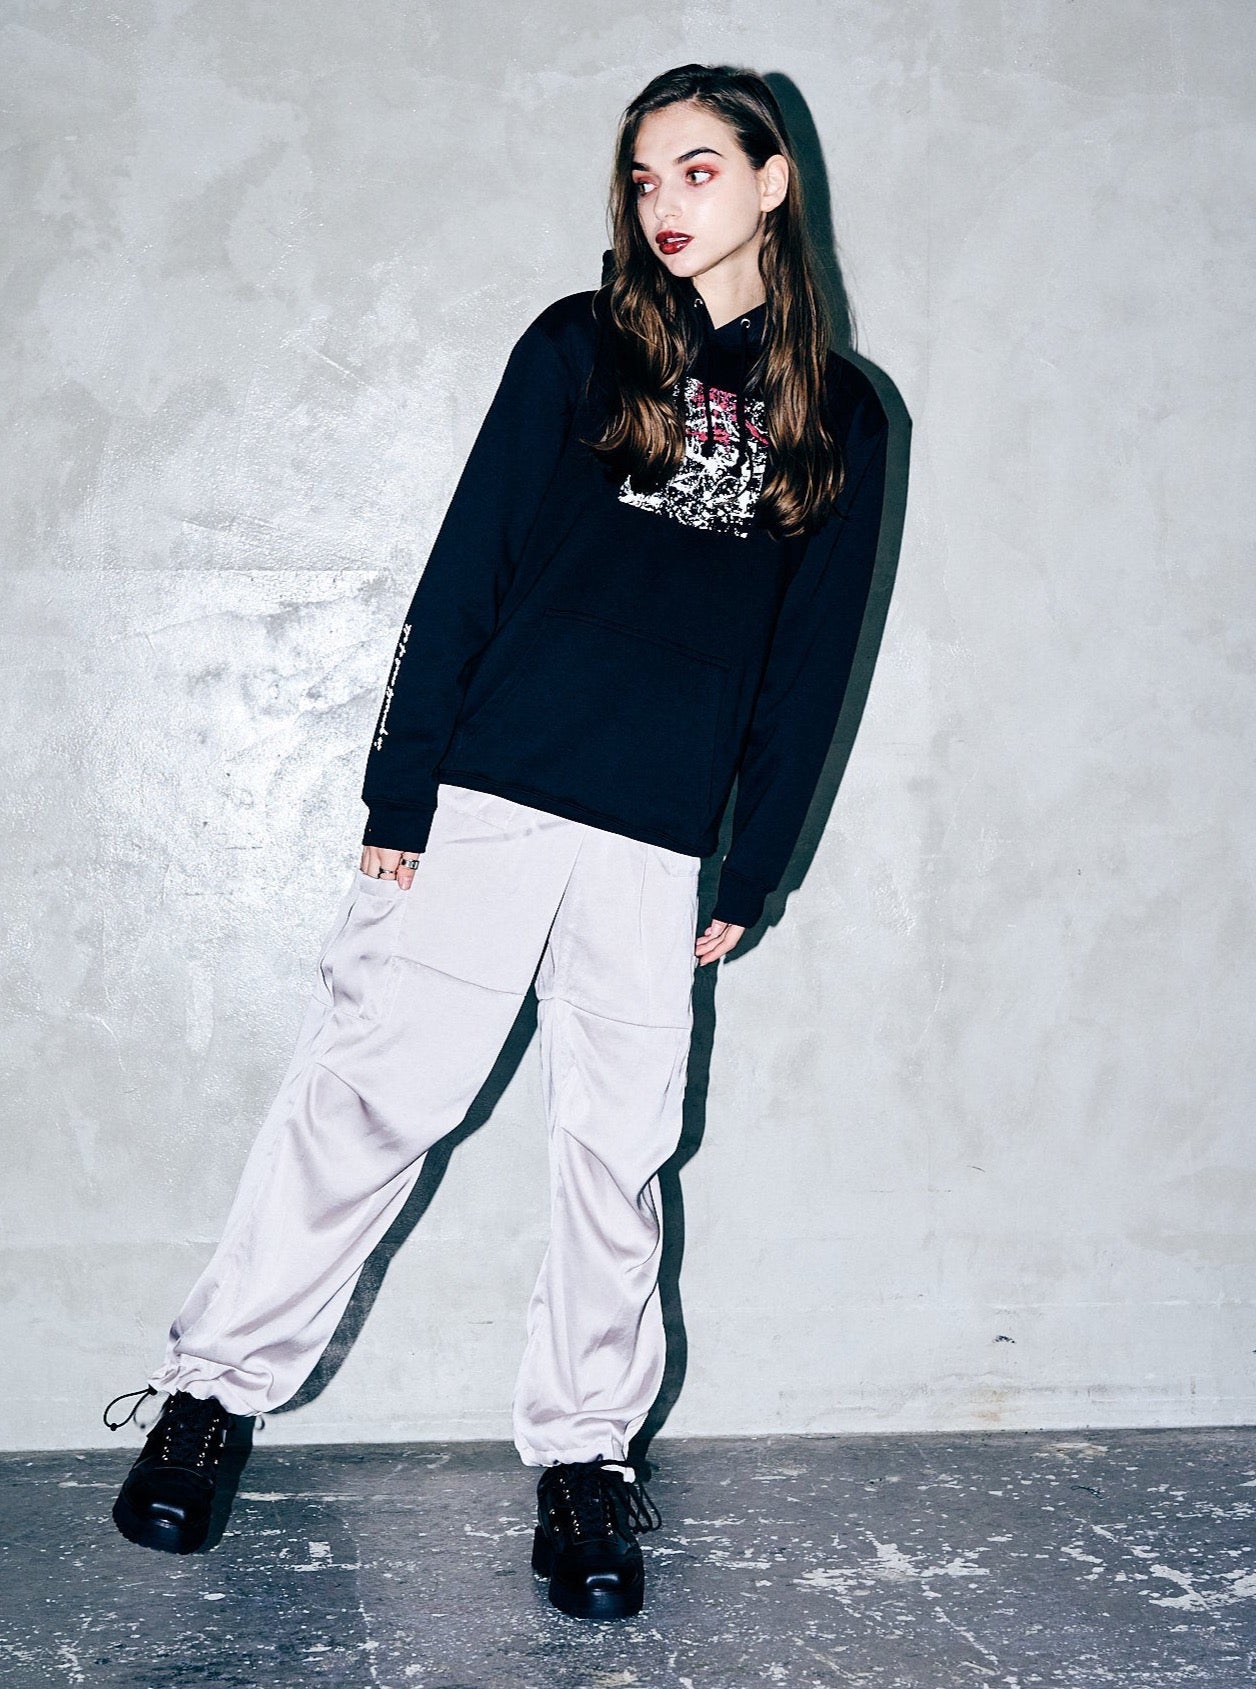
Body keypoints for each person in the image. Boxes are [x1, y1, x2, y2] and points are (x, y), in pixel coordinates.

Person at [102, 61, 890, 1622]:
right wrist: (402, 788)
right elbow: (465, 567)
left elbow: (811, 662)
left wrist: (757, 864)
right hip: (490, 798)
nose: (666, 205)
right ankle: (208, 1400)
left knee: (616, 1153)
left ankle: (585, 1462)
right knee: (367, 1104)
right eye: (645, 178)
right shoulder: (577, 348)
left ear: (772, 180)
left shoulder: (843, 417)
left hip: (655, 841)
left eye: (698, 171)